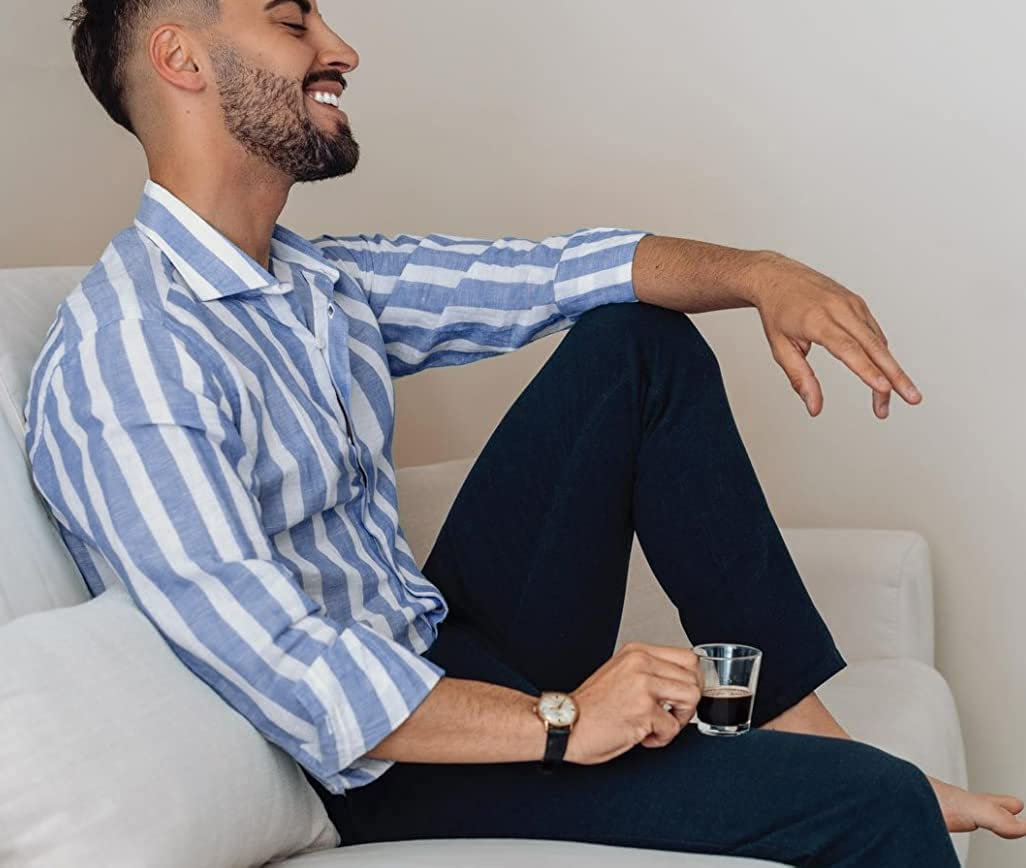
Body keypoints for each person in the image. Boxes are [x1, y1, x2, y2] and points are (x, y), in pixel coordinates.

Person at [28, 0, 1023, 863]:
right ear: (181, 58)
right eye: (293, 21)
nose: (340, 48)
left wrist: (762, 274)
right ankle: (852, 777)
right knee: (873, 805)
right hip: (376, 762)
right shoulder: (133, 353)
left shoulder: (313, 282)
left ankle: (808, 730)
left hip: (441, 647)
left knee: (637, 347)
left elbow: (550, 274)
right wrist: (563, 720)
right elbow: (283, 663)